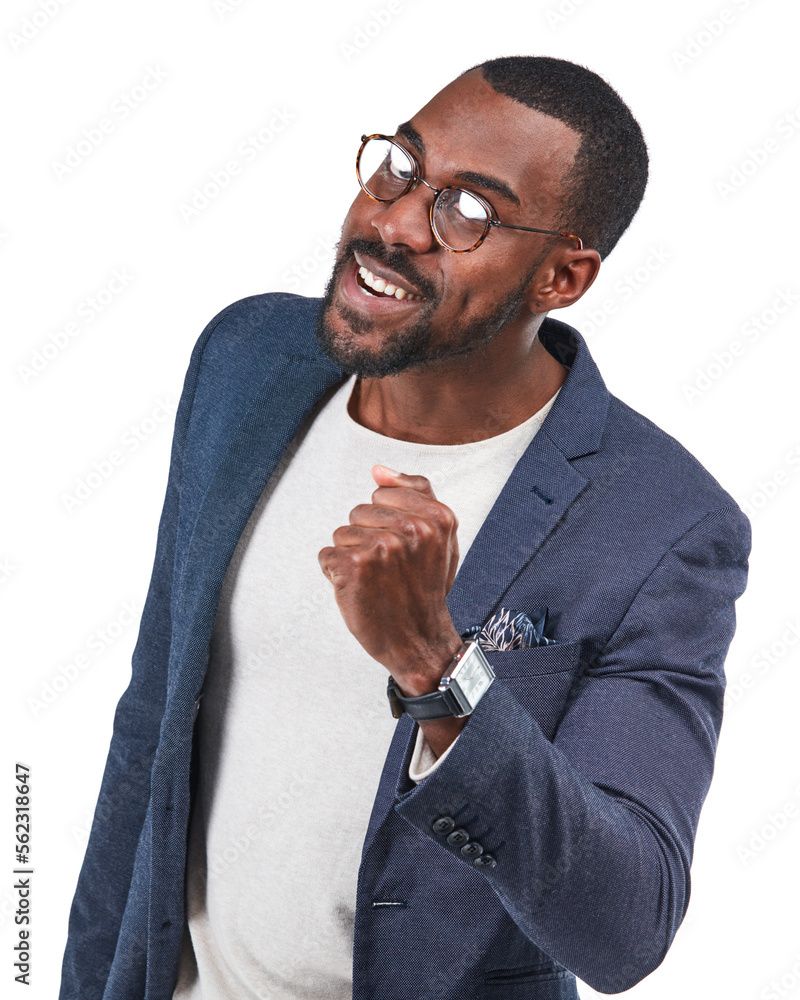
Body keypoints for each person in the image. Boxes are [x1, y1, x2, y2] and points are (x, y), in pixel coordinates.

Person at [60, 56, 750, 1000]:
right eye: (400, 167)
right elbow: (151, 724)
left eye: (467, 211)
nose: (391, 223)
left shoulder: (661, 524)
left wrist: (437, 664)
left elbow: (627, 926)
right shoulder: (246, 359)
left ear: (563, 274)